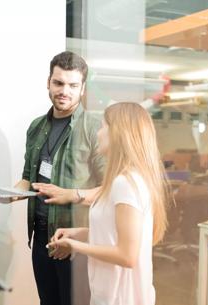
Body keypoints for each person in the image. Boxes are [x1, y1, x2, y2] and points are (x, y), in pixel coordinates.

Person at [0, 51, 105, 305]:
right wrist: (2, 195)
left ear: (82, 89)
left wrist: (72, 195)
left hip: (75, 243)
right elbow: (28, 180)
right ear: (48, 82)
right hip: (41, 239)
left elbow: (110, 189)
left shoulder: (95, 129)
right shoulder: (36, 127)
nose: (65, 91)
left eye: (73, 85)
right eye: (59, 83)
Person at [42, 102, 169, 305]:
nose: (98, 133)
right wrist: (79, 233)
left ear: (118, 134)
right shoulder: (125, 181)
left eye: (102, 127)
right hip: (110, 294)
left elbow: (127, 255)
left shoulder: (126, 183)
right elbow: (115, 235)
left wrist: (75, 245)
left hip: (120, 298)